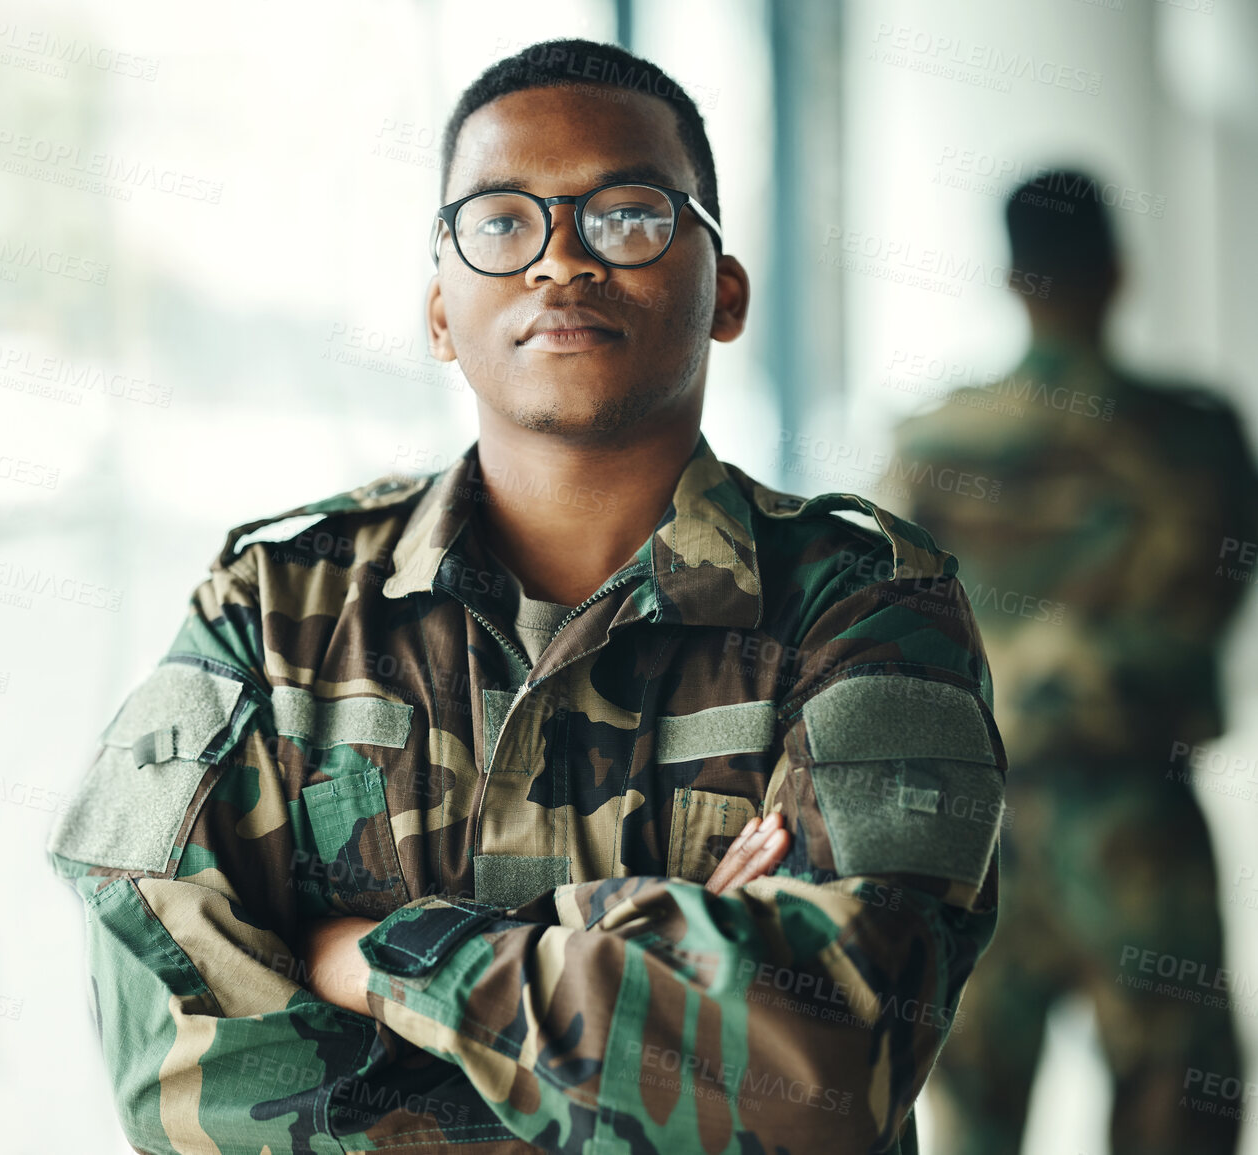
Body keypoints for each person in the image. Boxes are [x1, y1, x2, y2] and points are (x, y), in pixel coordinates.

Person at [50, 39, 1006, 1154]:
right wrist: (657, 966)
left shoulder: (864, 609)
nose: (562, 262)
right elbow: (182, 1075)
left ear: (726, 292)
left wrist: (370, 953)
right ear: (441, 311)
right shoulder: (274, 609)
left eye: (628, 214)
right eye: (502, 222)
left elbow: (814, 1070)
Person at [895, 170, 1258, 1155]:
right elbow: (1199, 617)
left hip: (970, 835)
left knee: (965, 1115)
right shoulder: (1196, 437)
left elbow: (893, 648)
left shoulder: (929, 443)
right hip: (1137, 820)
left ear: (1013, 279)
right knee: (1180, 1109)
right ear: (1118, 274)